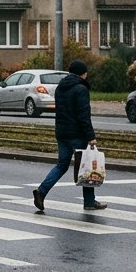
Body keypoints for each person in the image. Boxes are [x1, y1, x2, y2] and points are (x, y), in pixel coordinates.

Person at [34, 60, 105, 213]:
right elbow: (83, 115)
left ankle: (41, 191)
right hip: (77, 134)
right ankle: (89, 201)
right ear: (83, 74)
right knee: (86, 166)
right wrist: (90, 136)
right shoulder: (81, 89)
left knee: (61, 165)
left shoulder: (60, 87)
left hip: (62, 133)